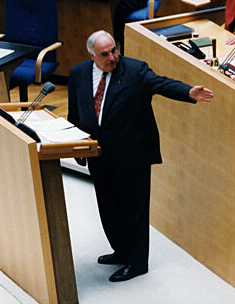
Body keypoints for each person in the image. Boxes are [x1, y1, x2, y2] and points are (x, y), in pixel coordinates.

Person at [68, 30, 213, 282]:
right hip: (98, 154)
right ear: (91, 55)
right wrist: (77, 146)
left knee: (133, 210)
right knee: (109, 207)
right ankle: (121, 251)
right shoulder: (79, 73)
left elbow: (162, 83)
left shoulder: (135, 71)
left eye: (114, 50)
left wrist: (189, 92)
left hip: (131, 154)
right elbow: (75, 112)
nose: (113, 57)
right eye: (105, 54)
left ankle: (137, 263)